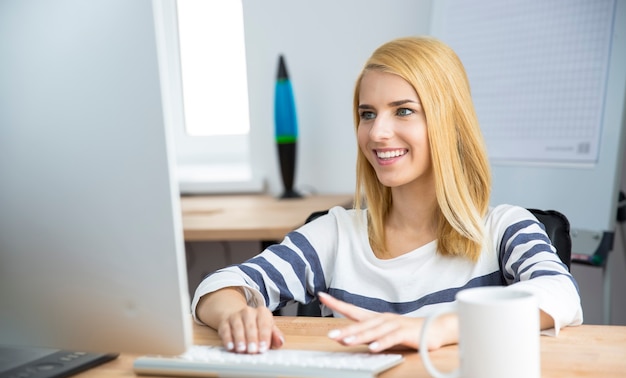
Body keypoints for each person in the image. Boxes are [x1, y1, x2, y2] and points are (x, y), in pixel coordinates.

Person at [192, 36, 583, 354]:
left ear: (448, 123)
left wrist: (436, 329)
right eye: (367, 113)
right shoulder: (336, 233)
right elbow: (219, 285)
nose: (377, 132)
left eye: (403, 111)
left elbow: (560, 293)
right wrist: (234, 315)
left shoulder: (504, 229)